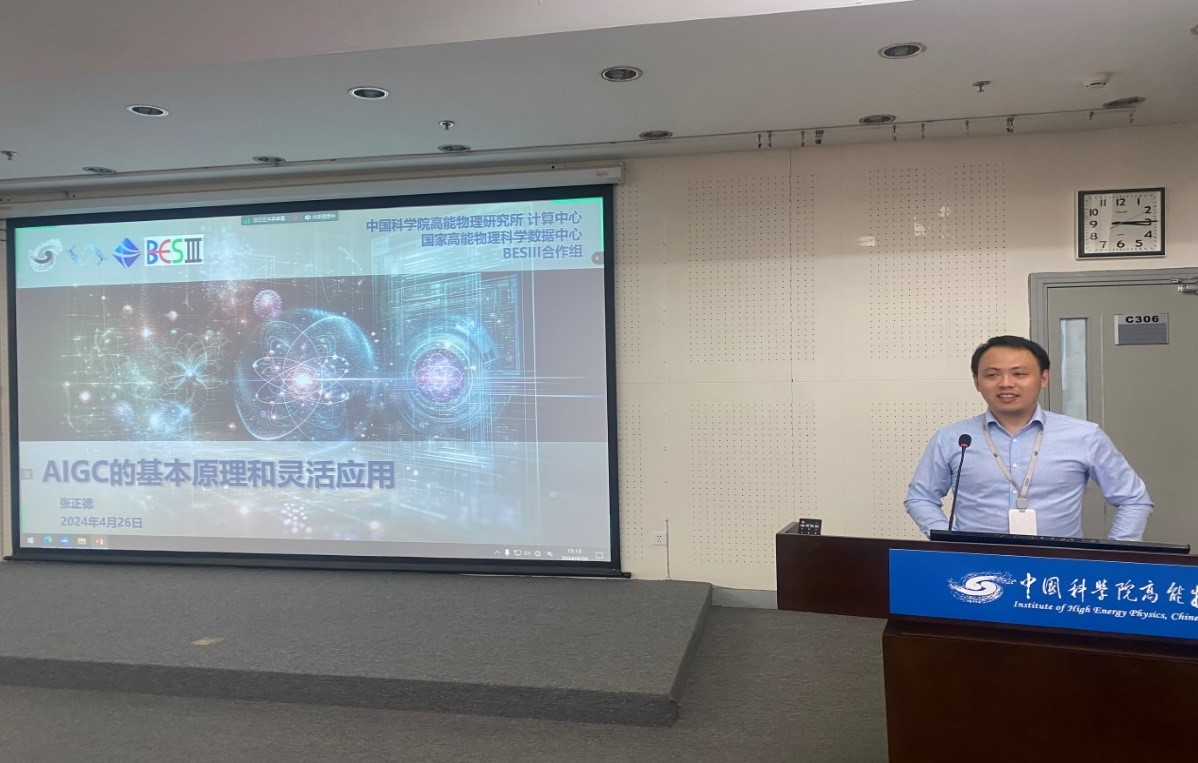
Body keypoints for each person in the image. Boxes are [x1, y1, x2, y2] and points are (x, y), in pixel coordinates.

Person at [904, 335, 1152, 540]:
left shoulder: (1084, 436)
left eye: (1019, 374)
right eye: (992, 375)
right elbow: (920, 497)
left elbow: (1133, 499)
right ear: (977, 382)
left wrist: (1116, 554)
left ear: (1043, 378)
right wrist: (948, 543)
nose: (1005, 383)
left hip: (1057, 566)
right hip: (975, 566)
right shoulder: (953, 438)